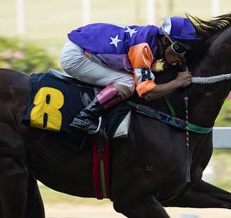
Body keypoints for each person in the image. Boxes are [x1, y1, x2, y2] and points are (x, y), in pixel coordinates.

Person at [59, 16, 200, 134]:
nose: (182, 56)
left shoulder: (152, 39)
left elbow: (145, 68)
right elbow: (146, 93)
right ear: (164, 40)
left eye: (186, 50)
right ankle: (86, 116)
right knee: (129, 82)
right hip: (76, 56)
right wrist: (177, 83)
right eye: (179, 48)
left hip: (86, 45)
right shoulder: (143, 47)